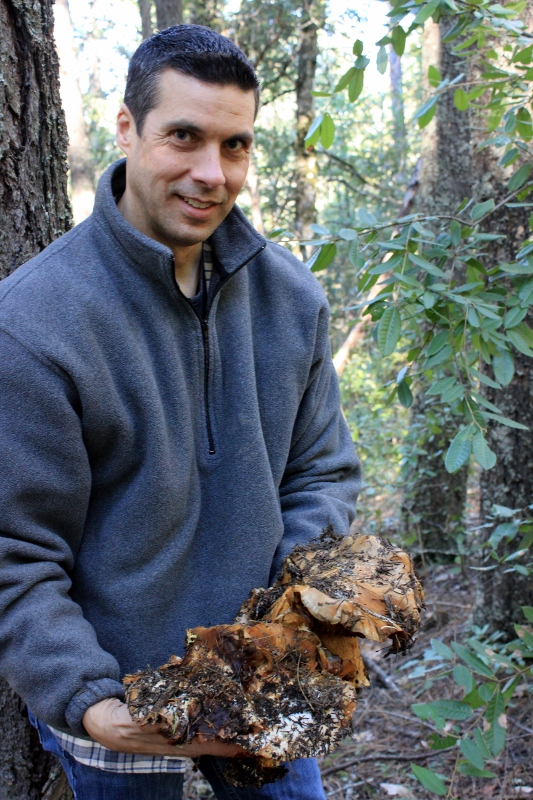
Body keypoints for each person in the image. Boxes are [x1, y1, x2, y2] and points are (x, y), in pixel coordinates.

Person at [0, 24, 360, 800]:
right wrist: (90, 702)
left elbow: (321, 472)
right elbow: (14, 552)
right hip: (126, 717)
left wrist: (283, 622)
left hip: (269, 693)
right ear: (126, 129)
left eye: (235, 145)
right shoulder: (35, 324)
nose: (211, 173)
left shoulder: (290, 301)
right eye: (184, 137)